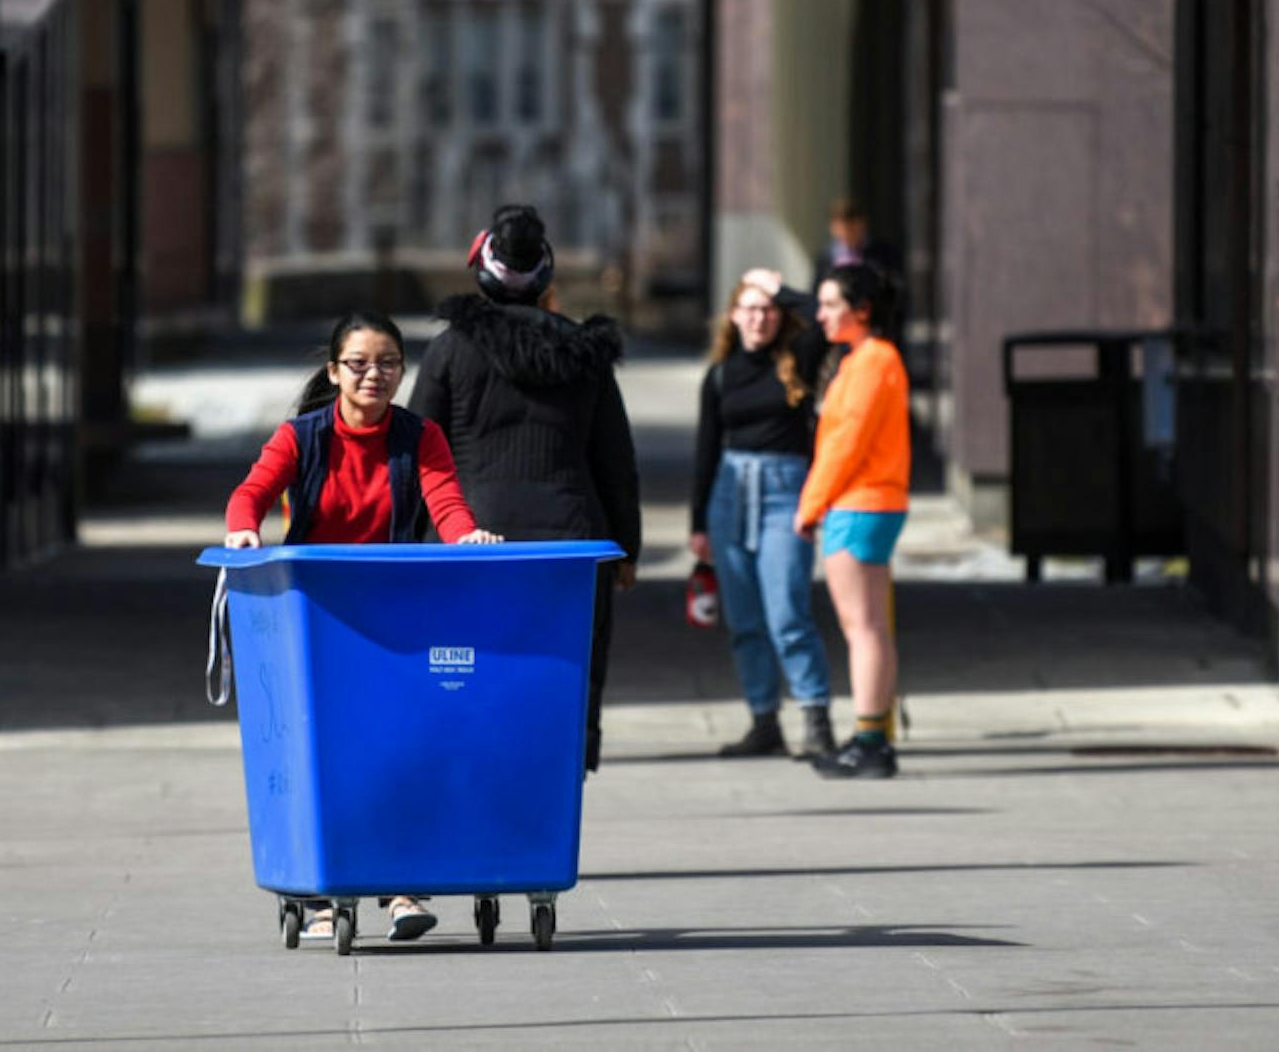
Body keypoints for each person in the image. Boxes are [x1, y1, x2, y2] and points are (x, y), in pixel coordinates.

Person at [224, 309, 500, 940]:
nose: (374, 375)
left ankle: (404, 889)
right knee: (326, 753)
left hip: (394, 614)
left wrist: (467, 538)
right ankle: (324, 894)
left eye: (388, 364)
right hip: (316, 616)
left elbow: (446, 502)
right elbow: (252, 492)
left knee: (403, 748)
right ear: (334, 371)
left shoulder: (418, 435)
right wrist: (244, 529)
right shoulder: (302, 437)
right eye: (359, 364)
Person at [408, 204, 641, 777]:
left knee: (472, 675)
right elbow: (615, 463)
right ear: (546, 275)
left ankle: (481, 818)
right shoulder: (586, 354)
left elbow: (416, 453)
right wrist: (626, 548)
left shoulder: (450, 350)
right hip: (572, 543)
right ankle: (553, 815)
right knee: (565, 674)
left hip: (470, 540)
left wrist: (410, 543)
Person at [691, 268, 836, 761]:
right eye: (750, 308)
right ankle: (763, 720)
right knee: (745, 620)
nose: (760, 318)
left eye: (768, 309)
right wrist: (697, 525)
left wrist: (776, 287)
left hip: (784, 493)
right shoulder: (719, 374)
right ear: (733, 316)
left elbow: (822, 314)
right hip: (729, 496)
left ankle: (816, 718)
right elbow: (706, 449)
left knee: (788, 614)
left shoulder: (797, 358)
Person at [793, 263, 911, 779]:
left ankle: (868, 742)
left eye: (830, 305)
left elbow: (846, 444)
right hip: (874, 501)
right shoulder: (870, 359)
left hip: (856, 503)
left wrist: (810, 505)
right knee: (874, 628)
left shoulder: (869, 363)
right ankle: (874, 736)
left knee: (861, 629)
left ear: (861, 310)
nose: (820, 315)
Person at [811, 198, 901, 295]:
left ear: (861, 224)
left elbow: (895, 288)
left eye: (850, 230)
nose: (846, 236)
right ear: (832, 228)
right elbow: (816, 293)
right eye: (840, 231)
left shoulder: (883, 253)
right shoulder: (826, 258)